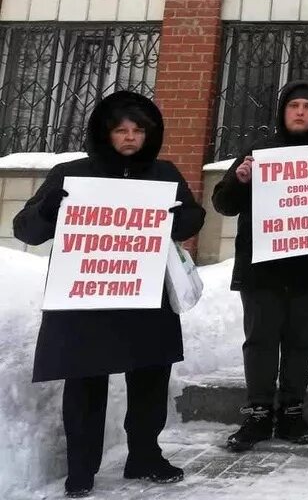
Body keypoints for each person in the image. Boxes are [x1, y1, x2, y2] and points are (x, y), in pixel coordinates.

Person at [13, 91, 206, 498]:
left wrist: (179, 217)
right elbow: (27, 230)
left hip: (146, 297)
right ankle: (81, 469)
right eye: (121, 130)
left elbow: (191, 218)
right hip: (87, 298)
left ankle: (144, 455)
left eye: (138, 130)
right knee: (85, 384)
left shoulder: (164, 174)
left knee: (150, 379)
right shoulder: (70, 174)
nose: (130, 138)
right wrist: (49, 208)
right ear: (105, 133)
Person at [213, 80, 308, 453]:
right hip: (263, 269)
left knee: (299, 343)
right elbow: (224, 204)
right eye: (293, 105)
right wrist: (238, 178)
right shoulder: (259, 151)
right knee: (260, 342)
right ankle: (259, 413)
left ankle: (292, 411)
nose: (300, 112)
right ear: (282, 111)